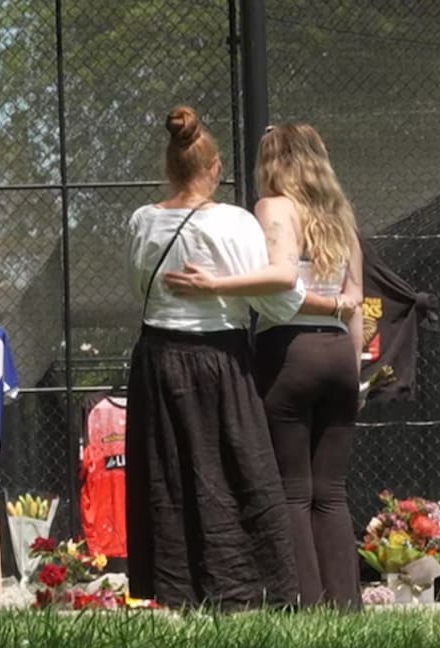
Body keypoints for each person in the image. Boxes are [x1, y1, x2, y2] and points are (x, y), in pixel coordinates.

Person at [163, 122, 364, 609]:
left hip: (290, 352)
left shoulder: (273, 208)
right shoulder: (341, 216)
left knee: (292, 491)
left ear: (273, 163)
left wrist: (215, 285)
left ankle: (305, 605)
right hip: (339, 355)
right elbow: (355, 299)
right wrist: (354, 373)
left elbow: (278, 282)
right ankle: (346, 606)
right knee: (331, 492)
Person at [125, 106, 309, 611]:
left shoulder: (143, 222)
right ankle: (247, 590)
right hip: (218, 361)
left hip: (157, 361)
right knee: (236, 471)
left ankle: (179, 591)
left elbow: (140, 285)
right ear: (216, 167)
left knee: (170, 475)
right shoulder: (234, 221)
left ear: (169, 166)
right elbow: (273, 296)